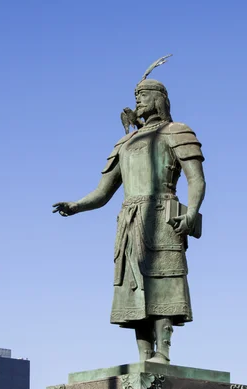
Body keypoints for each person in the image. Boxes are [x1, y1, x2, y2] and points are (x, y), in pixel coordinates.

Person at [52, 60, 206, 364]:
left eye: (146, 94)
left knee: (164, 283)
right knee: (133, 287)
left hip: (163, 217)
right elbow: (103, 192)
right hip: (130, 220)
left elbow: (196, 179)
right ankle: (143, 356)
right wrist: (77, 205)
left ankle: (163, 353)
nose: (139, 99)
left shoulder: (178, 132)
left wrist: (192, 213)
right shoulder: (124, 142)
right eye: (137, 95)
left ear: (159, 99)